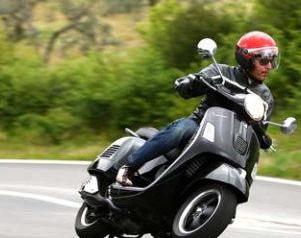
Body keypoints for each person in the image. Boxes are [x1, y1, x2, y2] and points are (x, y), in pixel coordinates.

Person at [116, 30, 280, 186]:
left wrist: (262, 137)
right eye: (264, 61)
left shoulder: (265, 97)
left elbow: (258, 132)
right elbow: (191, 86)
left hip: (233, 141)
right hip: (200, 125)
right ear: (246, 58)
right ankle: (129, 167)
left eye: (271, 60)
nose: (269, 66)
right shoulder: (221, 72)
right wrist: (192, 82)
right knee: (181, 129)